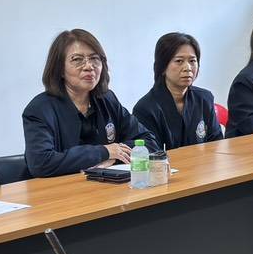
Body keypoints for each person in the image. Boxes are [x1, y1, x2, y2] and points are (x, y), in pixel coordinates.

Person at [22, 29, 154, 177]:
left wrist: (114, 157)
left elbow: (148, 142)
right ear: (59, 69)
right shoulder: (40, 109)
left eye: (94, 58)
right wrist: (104, 152)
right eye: (77, 60)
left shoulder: (107, 99)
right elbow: (40, 163)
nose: (89, 66)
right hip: (58, 189)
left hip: (104, 185)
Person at [131, 32, 223, 150]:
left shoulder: (204, 98)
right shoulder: (145, 108)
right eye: (179, 61)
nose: (187, 68)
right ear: (163, 67)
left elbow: (216, 144)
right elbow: (151, 153)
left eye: (192, 61)